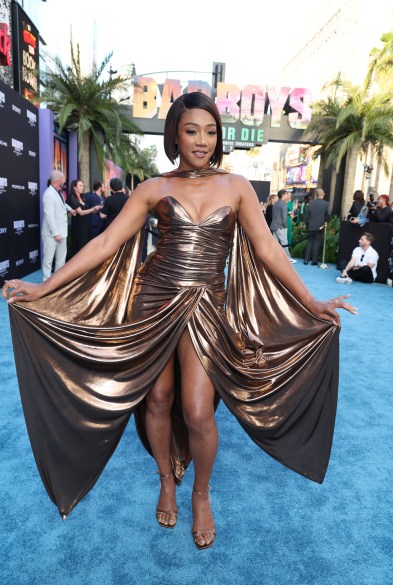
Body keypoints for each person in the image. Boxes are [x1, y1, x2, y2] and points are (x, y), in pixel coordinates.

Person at [2, 92, 356, 551]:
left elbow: (268, 250)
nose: (202, 140)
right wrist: (44, 288)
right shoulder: (152, 188)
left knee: (196, 410)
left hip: (208, 307)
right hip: (153, 302)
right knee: (157, 400)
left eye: (210, 131)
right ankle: (166, 480)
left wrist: (311, 301)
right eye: (192, 131)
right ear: (174, 135)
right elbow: (106, 243)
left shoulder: (237, 186)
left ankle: (201, 494)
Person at [41, 170, 76, 281]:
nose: (65, 181)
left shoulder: (58, 192)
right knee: (48, 259)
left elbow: (62, 204)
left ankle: (57, 282)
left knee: (61, 260)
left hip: (62, 232)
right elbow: (49, 216)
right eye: (63, 179)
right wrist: (56, 233)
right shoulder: (49, 194)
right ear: (59, 180)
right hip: (52, 235)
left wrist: (70, 209)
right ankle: (46, 282)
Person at [68, 179, 102, 256]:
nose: (82, 187)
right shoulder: (72, 198)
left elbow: (87, 211)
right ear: (74, 187)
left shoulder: (83, 198)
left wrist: (96, 209)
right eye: (80, 185)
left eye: (82, 186)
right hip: (79, 228)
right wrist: (93, 209)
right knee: (79, 248)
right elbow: (81, 212)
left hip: (86, 227)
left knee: (85, 248)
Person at [303, 188, 331, 265]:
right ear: (323, 194)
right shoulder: (326, 204)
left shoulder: (310, 203)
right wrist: (326, 222)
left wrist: (308, 225)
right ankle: (314, 261)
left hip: (311, 226)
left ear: (316, 195)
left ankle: (306, 260)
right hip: (320, 226)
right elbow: (328, 214)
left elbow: (306, 217)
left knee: (309, 243)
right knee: (317, 243)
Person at [270, 189, 297, 263]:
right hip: (281, 227)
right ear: (283, 195)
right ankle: (288, 258)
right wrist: (285, 226)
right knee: (285, 243)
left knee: (275, 244)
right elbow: (284, 218)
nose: (287, 196)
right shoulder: (283, 204)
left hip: (274, 226)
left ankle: (273, 258)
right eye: (286, 194)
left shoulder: (275, 204)